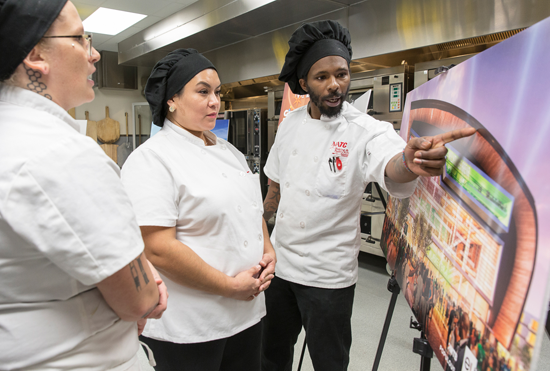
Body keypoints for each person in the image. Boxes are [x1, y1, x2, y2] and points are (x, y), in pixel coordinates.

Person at [260, 20, 476, 370]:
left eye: (342, 75)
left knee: (330, 362)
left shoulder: (367, 130)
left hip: (328, 277)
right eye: (322, 77)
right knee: (270, 356)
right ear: (303, 84)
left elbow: (393, 164)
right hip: (281, 267)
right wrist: (259, 233)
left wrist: (411, 159)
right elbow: (275, 188)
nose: (334, 86)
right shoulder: (289, 125)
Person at [0, 1, 167, 370]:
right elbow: (139, 302)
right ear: (34, 55)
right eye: (79, 38)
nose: (93, 55)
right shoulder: (60, 152)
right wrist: (146, 284)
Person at [121, 48, 276, 371]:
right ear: (171, 100)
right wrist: (230, 286)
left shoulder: (228, 151)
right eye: (203, 91)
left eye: (217, 92)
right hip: (189, 326)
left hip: (246, 314)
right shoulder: (151, 159)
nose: (214, 101)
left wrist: (267, 248)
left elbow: (249, 208)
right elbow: (158, 248)